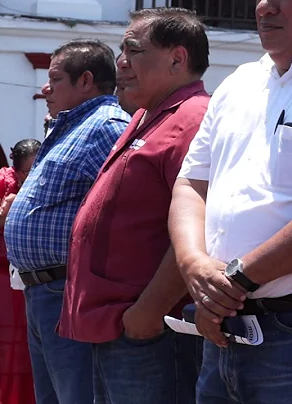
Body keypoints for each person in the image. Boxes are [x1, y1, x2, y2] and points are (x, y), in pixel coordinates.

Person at [169, 1, 292, 402]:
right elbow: (191, 183)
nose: (263, 7)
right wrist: (194, 265)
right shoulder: (239, 82)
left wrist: (231, 282)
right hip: (223, 331)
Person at [59, 8, 210, 403]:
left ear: (177, 58)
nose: (120, 63)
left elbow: (202, 225)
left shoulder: (194, 119)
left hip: (149, 333)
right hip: (117, 328)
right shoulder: (144, 115)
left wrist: (148, 313)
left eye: (133, 50)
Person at [3, 39, 130, 404]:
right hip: (44, 291)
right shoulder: (73, 125)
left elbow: (121, 213)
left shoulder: (106, 126)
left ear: (86, 80)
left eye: (55, 79)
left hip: (67, 290)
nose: (45, 88)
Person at [0, 138, 41, 404]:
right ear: (17, 169)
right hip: (0, 278)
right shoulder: (5, 178)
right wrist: (9, 211)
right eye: (29, 171)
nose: (34, 176)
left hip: (35, 275)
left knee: (29, 350)